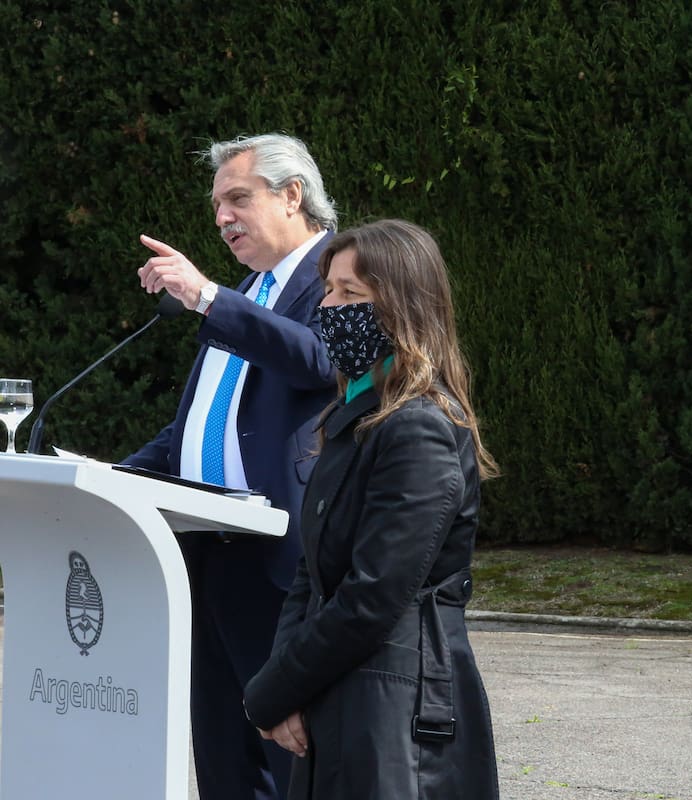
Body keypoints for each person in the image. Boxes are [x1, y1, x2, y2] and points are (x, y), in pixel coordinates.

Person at [242, 219, 501, 799]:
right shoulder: (355, 418)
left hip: (396, 708)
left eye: (349, 293)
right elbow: (312, 572)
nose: (328, 307)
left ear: (402, 308)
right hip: (344, 694)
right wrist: (285, 688)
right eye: (328, 290)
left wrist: (275, 690)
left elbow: (374, 596)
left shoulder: (418, 428)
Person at [125, 133, 338, 799]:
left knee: (292, 764)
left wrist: (210, 298)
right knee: (224, 764)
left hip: (280, 559)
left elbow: (320, 361)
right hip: (207, 557)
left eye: (238, 199)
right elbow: (201, 424)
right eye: (217, 204)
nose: (222, 218)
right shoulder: (250, 290)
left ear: (293, 195)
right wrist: (108, 481)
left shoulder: (340, 274)